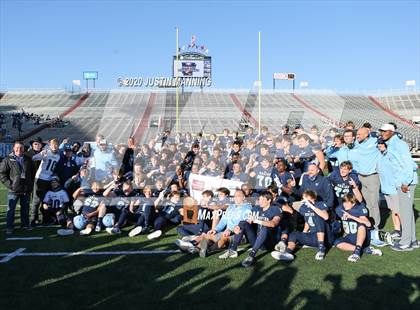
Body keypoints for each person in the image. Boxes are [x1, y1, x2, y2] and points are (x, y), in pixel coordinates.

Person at [379, 124, 419, 251]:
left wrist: (405, 182)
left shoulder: (399, 144)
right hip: (402, 181)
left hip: (405, 183)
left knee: (405, 213)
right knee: (408, 213)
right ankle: (412, 241)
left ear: (391, 132)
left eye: (384, 131)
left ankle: (405, 243)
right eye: (381, 131)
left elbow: (408, 164)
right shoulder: (392, 144)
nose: (382, 133)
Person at [219, 191, 282, 267]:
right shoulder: (256, 209)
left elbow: (273, 223)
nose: (260, 201)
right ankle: (233, 250)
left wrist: (257, 220)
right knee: (243, 223)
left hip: (269, 242)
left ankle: (252, 254)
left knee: (265, 227)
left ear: (269, 200)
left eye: (262, 199)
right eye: (259, 199)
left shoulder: (275, 209)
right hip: (256, 239)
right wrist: (237, 227)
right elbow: (247, 221)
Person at [271, 190, 329, 261]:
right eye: (303, 198)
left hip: (326, 237)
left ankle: (321, 249)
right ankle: (288, 253)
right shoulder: (304, 207)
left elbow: (325, 217)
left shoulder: (320, 204)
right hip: (314, 236)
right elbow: (308, 221)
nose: (303, 200)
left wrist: (311, 206)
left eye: (305, 198)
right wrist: (304, 233)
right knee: (293, 234)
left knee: (319, 219)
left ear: (312, 198)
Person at [193, 189, 252, 257]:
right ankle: (196, 248)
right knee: (209, 235)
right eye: (235, 196)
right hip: (227, 231)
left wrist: (230, 230)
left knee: (224, 238)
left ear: (244, 197)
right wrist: (215, 229)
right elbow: (223, 220)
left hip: (240, 234)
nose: (235, 198)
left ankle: (207, 250)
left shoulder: (247, 207)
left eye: (238, 196)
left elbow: (243, 222)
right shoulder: (231, 207)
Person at [334, 193, 383, 262]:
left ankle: (356, 253)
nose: (345, 205)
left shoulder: (359, 208)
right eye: (344, 202)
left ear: (353, 203)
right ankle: (364, 249)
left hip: (362, 237)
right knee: (337, 243)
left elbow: (368, 224)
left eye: (347, 203)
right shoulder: (339, 209)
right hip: (350, 236)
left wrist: (352, 217)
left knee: (361, 226)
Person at [0, 141, 35, 234]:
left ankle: (25, 225)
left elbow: (32, 173)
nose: (19, 149)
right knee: (11, 209)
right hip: (13, 189)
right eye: (17, 147)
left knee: (25, 208)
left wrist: (30, 184)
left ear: (24, 149)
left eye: (21, 148)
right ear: (13, 148)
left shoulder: (28, 159)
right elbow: (2, 174)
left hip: (25, 188)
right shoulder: (7, 159)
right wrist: (10, 185)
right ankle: (9, 227)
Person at [349, 127, 381, 229]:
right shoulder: (357, 143)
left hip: (372, 176)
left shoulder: (375, 141)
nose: (357, 136)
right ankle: (368, 224)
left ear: (367, 134)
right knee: (365, 203)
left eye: (359, 134)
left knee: (374, 203)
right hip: (360, 176)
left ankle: (376, 226)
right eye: (357, 134)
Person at [30, 138, 61, 226]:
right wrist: (40, 154)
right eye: (53, 144)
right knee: (36, 200)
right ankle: (33, 219)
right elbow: (33, 158)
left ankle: (45, 218)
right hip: (40, 178)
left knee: (46, 200)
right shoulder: (46, 152)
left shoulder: (58, 156)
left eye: (56, 145)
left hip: (49, 180)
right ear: (50, 145)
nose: (55, 146)